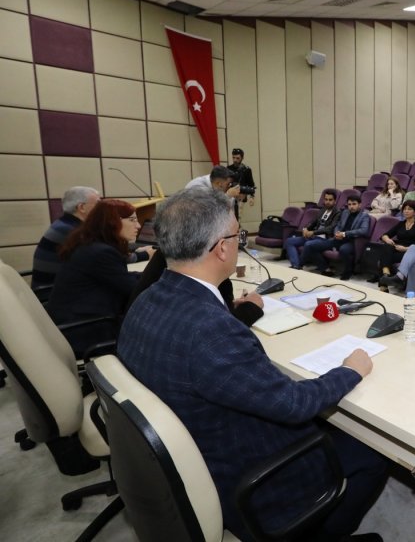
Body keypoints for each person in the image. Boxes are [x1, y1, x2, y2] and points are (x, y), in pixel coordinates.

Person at [117, 187, 386, 541]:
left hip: (193, 451)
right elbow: (294, 405)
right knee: (374, 450)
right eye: (237, 234)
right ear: (222, 247)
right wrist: (351, 369)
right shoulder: (211, 333)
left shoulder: (147, 298)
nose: (239, 241)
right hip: (245, 477)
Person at [46, 199, 143, 358]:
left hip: (71, 323)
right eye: (132, 220)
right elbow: (133, 290)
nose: (138, 226)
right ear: (111, 222)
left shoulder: (88, 245)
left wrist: (143, 276)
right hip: (86, 331)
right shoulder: (102, 253)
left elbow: (119, 278)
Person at [127, 249, 264, 327]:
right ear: (220, 245)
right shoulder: (205, 266)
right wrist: (252, 307)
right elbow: (220, 332)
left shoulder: (167, 255)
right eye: (236, 236)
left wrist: (226, 306)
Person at [31, 186, 100, 293]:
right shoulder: (72, 231)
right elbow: (103, 257)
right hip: (53, 294)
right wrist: (133, 256)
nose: (102, 209)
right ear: (81, 207)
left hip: (55, 289)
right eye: (98, 204)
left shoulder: (64, 224)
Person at [302, 194, 371, 280]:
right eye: (349, 204)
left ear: (359, 205)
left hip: (351, 241)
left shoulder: (364, 216)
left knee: (344, 249)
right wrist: (336, 233)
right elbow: (338, 225)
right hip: (337, 239)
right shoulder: (345, 212)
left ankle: (348, 272)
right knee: (310, 245)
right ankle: (325, 268)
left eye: (354, 204)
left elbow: (363, 230)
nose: (351, 207)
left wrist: (344, 234)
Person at [366, 200, 415, 285]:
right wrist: (387, 239)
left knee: (384, 257)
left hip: (409, 253)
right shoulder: (401, 224)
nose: (406, 211)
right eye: (404, 209)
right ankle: (386, 274)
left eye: (409, 209)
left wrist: (405, 249)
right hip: (396, 249)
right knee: (387, 246)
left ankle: (383, 282)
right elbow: (385, 235)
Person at [284, 189, 340, 269]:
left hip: (326, 240)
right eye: (326, 199)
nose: (327, 202)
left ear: (335, 201)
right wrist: (305, 229)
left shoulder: (337, 213)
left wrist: (313, 232)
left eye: (330, 200)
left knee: (308, 245)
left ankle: (298, 266)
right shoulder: (322, 210)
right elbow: (312, 222)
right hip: (314, 237)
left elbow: (330, 229)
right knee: (289, 241)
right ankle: (295, 264)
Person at [226, 148, 256, 220]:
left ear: (242, 158)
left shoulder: (246, 170)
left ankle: (237, 229)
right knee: (228, 217)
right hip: (230, 196)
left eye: (237, 158)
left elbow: (251, 184)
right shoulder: (228, 168)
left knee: (238, 217)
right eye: (233, 157)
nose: (235, 160)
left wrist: (252, 197)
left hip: (241, 196)